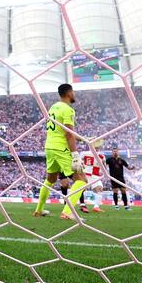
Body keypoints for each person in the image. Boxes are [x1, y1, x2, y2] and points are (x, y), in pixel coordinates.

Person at [33, 83, 91, 220]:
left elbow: (63, 131)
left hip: (49, 146)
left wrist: (82, 139)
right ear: (69, 93)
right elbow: (68, 134)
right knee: (82, 179)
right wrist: (75, 155)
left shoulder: (53, 107)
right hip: (61, 148)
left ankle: (39, 210)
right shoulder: (68, 110)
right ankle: (67, 212)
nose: (74, 95)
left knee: (50, 179)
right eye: (73, 92)